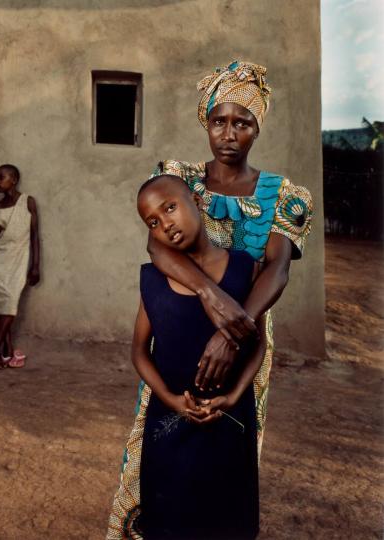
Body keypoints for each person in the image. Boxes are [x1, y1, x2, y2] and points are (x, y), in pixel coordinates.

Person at [107, 61, 313, 538]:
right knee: (161, 451)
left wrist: (231, 328)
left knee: (227, 451)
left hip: (244, 338)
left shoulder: (286, 195)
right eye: (219, 120)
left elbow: (277, 269)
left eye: (242, 122)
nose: (228, 133)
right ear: (206, 121)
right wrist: (210, 294)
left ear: (258, 126)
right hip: (179, 330)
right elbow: (156, 246)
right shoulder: (179, 179)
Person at [128, 174, 264, 539]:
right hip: (169, 422)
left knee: (227, 519)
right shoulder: (152, 280)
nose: (165, 224)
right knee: (170, 520)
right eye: (152, 222)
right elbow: (139, 351)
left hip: (230, 419)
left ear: (197, 201)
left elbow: (259, 343)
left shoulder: (243, 267)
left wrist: (234, 397)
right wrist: (170, 399)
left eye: (170, 208)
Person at [0, 164, 40, 371]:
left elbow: (34, 236)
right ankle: (7, 348)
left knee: (10, 303)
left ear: (13, 179)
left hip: (19, 260)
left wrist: (35, 265)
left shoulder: (27, 202)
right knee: (4, 305)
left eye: (1, 177)